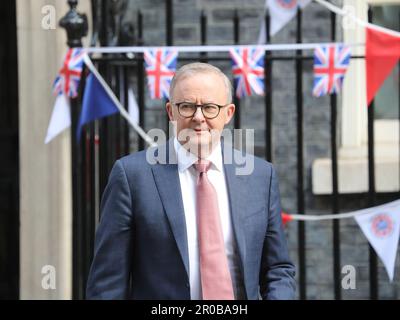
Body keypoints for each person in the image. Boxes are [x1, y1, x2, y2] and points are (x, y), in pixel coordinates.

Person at [86, 62, 296, 300]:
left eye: (209, 107)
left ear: (228, 113)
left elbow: (277, 269)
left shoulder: (260, 176)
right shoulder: (132, 176)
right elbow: (108, 283)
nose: (198, 117)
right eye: (186, 106)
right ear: (170, 112)